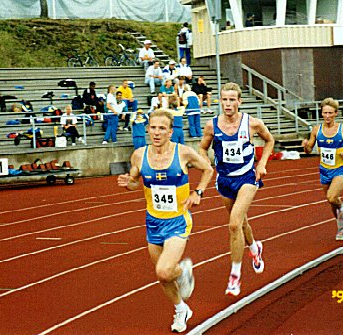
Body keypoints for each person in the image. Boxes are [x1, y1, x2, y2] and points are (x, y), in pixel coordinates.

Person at [117, 109, 213, 333]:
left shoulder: (183, 153)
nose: (157, 133)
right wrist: (127, 183)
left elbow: (208, 169)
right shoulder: (139, 155)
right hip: (153, 222)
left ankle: (183, 271)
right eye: (153, 128)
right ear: (147, 129)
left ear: (171, 132)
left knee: (164, 270)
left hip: (177, 221)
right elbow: (134, 183)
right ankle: (181, 309)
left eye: (162, 128)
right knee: (163, 277)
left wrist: (197, 192)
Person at [199, 82, 274, 297]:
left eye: (232, 99)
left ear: (239, 102)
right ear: (220, 101)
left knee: (234, 224)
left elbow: (269, 140)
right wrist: (206, 164)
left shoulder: (252, 123)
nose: (228, 103)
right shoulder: (212, 126)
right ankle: (254, 249)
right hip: (224, 179)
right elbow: (202, 147)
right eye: (224, 99)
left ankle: (235, 275)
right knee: (242, 223)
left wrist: (262, 164)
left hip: (247, 177)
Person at [302, 97, 343, 241]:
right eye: (324, 113)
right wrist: (305, 146)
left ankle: (342, 208)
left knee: (332, 197)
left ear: (336, 114)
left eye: (330, 113)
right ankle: (341, 226)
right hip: (324, 170)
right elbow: (309, 150)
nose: (327, 116)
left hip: (339, 169)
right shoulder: (316, 130)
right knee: (331, 202)